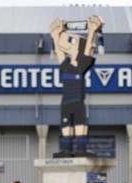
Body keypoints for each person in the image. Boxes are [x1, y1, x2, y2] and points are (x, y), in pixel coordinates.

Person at [49, 15, 104, 157]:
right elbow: (59, 52)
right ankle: (66, 151)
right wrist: (55, 36)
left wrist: (92, 31)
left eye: (71, 41)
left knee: (80, 126)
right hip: (65, 102)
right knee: (66, 127)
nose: (67, 42)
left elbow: (88, 48)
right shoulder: (65, 66)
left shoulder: (82, 65)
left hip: (78, 101)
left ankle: (81, 150)